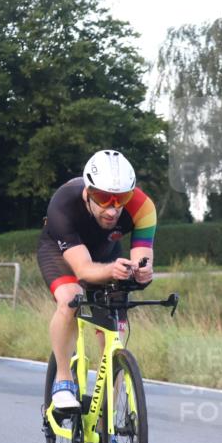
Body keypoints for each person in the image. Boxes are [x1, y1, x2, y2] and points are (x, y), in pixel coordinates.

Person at [37, 150, 156, 414]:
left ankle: (106, 415)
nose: (113, 209)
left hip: (105, 254)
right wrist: (112, 270)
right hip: (62, 253)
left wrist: (141, 272)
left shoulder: (143, 207)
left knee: (117, 329)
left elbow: (143, 258)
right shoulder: (64, 203)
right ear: (89, 192)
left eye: (122, 199)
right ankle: (64, 379)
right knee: (71, 299)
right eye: (103, 199)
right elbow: (84, 270)